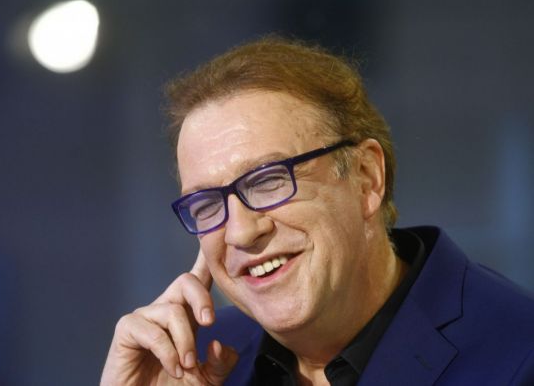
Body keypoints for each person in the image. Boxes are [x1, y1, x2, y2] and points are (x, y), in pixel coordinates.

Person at [100, 36, 534, 385]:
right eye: (207, 203)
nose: (241, 233)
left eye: (268, 180)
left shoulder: (519, 355)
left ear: (366, 178)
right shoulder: (192, 362)